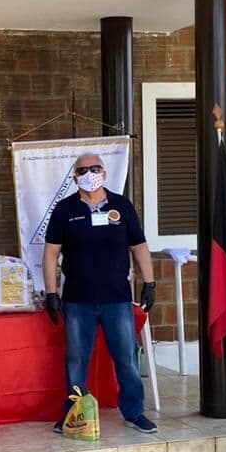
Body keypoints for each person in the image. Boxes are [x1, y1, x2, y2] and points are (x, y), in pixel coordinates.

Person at [42, 152, 157, 433]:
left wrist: (149, 282)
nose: (89, 174)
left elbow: (139, 246)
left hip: (116, 297)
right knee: (76, 361)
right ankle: (74, 413)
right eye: (83, 170)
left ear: (104, 173)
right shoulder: (64, 209)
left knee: (127, 358)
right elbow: (50, 253)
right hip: (77, 299)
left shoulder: (121, 206)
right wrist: (51, 293)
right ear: (74, 177)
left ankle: (133, 411)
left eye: (95, 168)